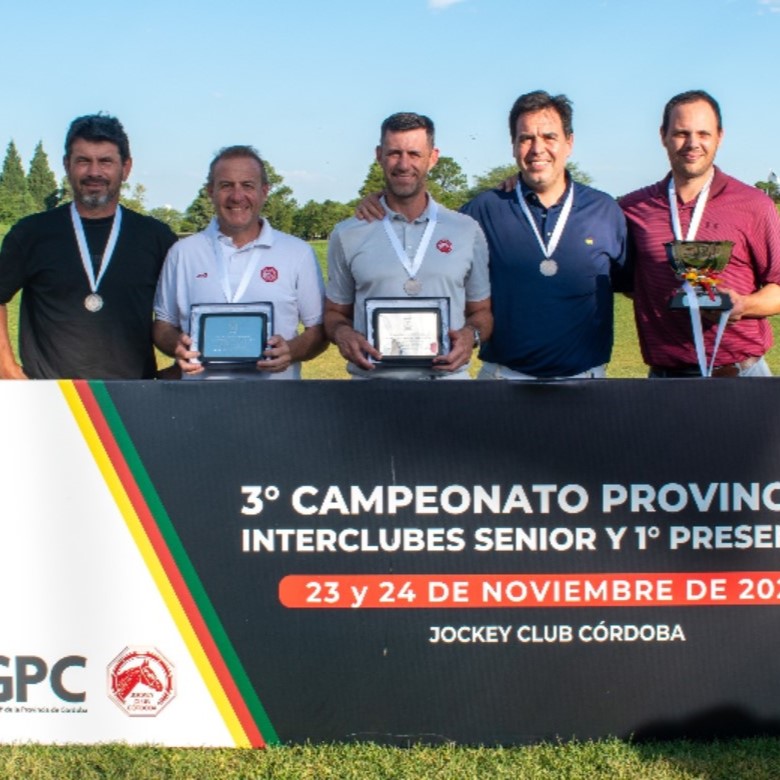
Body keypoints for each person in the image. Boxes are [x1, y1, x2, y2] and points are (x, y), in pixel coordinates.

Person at [356, 92, 627, 380]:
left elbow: (630, 285)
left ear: (569, 142)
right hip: (503, 379)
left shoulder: (605, 210)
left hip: (586, 380)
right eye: (526, 138)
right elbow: (425, 228)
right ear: (513, 146)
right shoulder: (483, 210)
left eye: (549, 137)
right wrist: (385, 201)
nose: (537, 149)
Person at [0, 114, 177, 379]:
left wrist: (178, 370)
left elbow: (187, 307)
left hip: (131, 396)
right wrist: (6, 368)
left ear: (126, 167)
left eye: (105, 161)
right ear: (67, 165)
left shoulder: (156, 237)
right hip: (49, 394)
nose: (94, 172)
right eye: (83, 161)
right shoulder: (31, 233)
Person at [620, 89, 780, 377]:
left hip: (741, 375)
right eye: (681, 133)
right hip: (666, 378)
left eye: (703, 133)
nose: (693, 144)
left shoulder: (754, 205)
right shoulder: (632, 209)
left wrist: (743, 305)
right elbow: (629, 283)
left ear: (720, 136)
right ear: (663, 136)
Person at [326, 112, 492, 379]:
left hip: (447, 386)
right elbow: (334, 313)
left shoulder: (466, 230)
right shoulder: (348, 233)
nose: (404, 164)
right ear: (379, 155)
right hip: (372, 387)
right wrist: (342, 333)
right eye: (394, 153)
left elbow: (482, 312)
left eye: (414, 154)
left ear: (433, 157)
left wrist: (470, 335)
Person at [153, 145, 326, 379]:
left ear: (264, 191)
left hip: (275, 397)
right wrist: (177, 345)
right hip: (200, 396)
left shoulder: (297, 252)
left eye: (247, 185)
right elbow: (163, 325)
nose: (237, 196)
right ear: (210, 191)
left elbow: (319, 330)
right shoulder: (182, 253)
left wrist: (291, 351)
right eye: (226, 185)